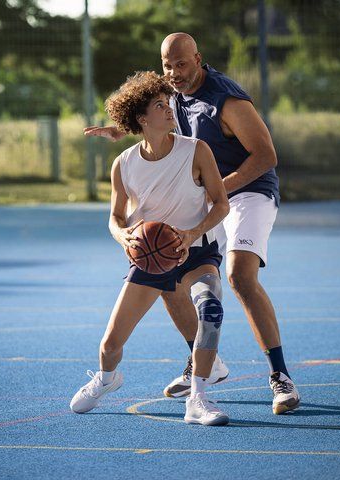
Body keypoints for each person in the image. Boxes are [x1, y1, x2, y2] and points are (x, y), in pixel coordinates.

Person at [84, 33, 300, 415]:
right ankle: (205, 363)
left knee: (240, 276)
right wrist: (128, 129)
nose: (174, 73)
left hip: (248, 190)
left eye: (181, 64)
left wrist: (215, 188)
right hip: (207, 191)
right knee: (167, 266)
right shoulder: (174, 94)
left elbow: (266, 156)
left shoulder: (226, 100)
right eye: (167, 66)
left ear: (198, 59)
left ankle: (280, 378)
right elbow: (157, 125)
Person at [70, 71, 231, 426]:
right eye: (160, 105)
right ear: (142, 119)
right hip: (150, 256)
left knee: (210, 308)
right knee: (110, 345)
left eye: (167, 101)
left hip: (197, 249)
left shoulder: (196, 151)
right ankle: (107, 379)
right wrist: (124, 237)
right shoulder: (124, 163)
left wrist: (191, 234)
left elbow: (221, 205)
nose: (169, 108)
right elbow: (114, 218)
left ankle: (199, 399)